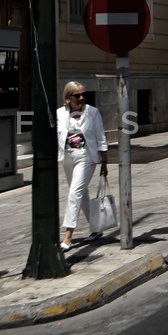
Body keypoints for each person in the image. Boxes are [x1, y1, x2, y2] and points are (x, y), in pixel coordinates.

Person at [56, 81, 109, 251]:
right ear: (68, 97)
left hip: (86, 156)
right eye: (77, 95)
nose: (81, 98)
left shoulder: (92, 112)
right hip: (68, 157)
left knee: (74, 193)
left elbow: (101, 136)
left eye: (83, 94)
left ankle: (68, 235)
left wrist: (104, 161)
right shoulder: (60, 113)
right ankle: (96, 227)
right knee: (81, 193)